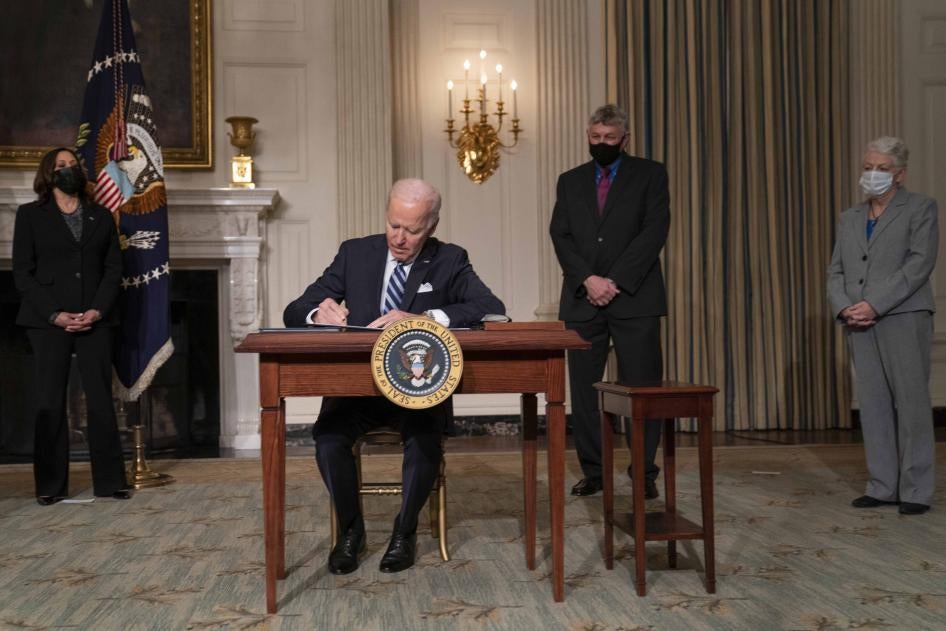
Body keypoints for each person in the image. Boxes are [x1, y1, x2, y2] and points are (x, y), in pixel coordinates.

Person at [284, 178, 504, 573]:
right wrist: (319, 313)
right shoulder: (355, 253)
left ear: (431, 227)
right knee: (328, 439)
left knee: (424, 440)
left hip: (417, 390)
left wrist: (423, 319)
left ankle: (405, 532)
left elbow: (490, 306)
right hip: (356, 389)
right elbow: (295, 307)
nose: (400, 238)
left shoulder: (449, 259)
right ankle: (351, 532)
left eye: (412, 230)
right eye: (394, 225)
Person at [549, 104, 670, 498]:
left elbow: (654, 231)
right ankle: (595, 472)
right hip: (583, 299)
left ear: (625, 139)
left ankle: (644, 473)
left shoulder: (651, 174)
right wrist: (588, 279)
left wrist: (614, 281)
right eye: (595, 138)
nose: (601, 144)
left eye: (610, 139)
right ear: (588, 136)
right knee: (585, 393)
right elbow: (560, 234)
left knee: (643, 390)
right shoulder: (569, 181)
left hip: (635, 298)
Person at [12, 147, 130, 505]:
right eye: (60, 165)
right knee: (49, 402)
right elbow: (23, 273)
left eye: (73, 164)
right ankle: (50, 486)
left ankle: (110, 483)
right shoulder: (30, 215)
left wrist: (96, 310)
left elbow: (113, 270)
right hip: (47, 322)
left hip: (96, 319)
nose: (68, 169)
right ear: (48, 174)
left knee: (100, 401)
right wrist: (54, 314)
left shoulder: (101, 215)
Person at [827, 136, 938, 516]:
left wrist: (875, 304)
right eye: (868, 166)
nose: (872, 174)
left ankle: (915, 489)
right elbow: (836, 270)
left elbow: (919, 265)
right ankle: (881, 485)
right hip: (857, 321)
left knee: (910, 405)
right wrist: (845, 308)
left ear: (900, 174)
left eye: (882, 168)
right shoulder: (849, 217)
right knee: (872, 405)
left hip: (903, 316)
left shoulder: (921, 208)